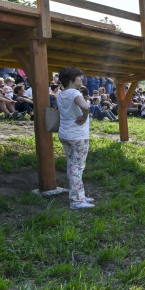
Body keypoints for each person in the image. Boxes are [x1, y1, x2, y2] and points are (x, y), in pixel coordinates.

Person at [57, 66, 94, 210]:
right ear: (72, 79)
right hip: (78, 135)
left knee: (72, 165)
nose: (81, 79)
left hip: (65, 134)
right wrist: (84, 118)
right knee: (77, 168)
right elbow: (85, 107)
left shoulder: (61, 94)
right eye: (79, 77)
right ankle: (77, 201)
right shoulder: (74, 93)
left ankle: (79, 195)